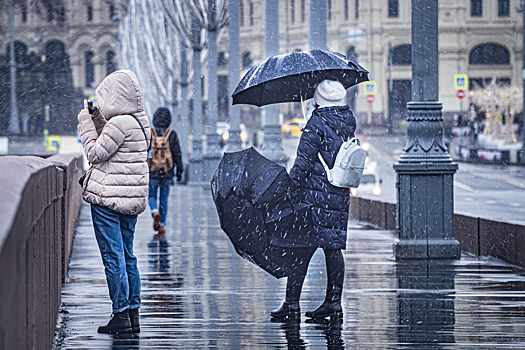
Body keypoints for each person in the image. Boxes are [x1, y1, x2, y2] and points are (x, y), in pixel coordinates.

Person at [270, 80, 356, 319]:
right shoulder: (347, 120)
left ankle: (291, 304)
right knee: (333, 248)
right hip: (338, 192)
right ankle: (333, 301)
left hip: (312, 196)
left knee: (300, 249)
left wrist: (290, 188)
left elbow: (303, 163)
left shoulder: (316, 122)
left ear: (318, 99)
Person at [77, 70, 150, 334]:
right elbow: (114, 147)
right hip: (130, 198)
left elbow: (96, 153)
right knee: (128, 256)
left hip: (109, 199)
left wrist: (85, 123)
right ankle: (132, 314)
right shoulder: (140, 122)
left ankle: (119, 315)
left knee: (113, 256)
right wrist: (98, 119)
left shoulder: (120, 124)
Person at [148, 107, 183, 237]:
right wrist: (179, 171)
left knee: (151, 195)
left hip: (152, 171)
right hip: (167, 171)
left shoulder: (150, 133)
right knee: (164, 198)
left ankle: (154, 211)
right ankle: (162, 224)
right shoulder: (171, 134)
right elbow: (177, 154)